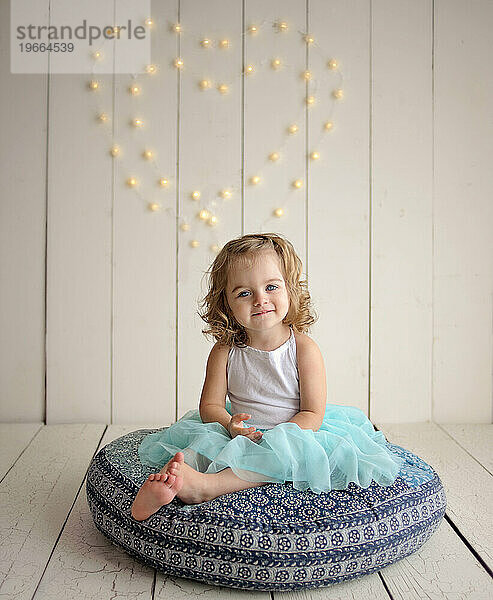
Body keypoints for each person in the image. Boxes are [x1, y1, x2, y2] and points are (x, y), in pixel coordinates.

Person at [131, 233, 404, 521]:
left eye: (271, 286)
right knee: (196, 448)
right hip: (239, 433)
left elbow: (312, 413)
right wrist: (230, 424)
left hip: (293, 432)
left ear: (290, 289)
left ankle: (207, 487)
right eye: (244, 293)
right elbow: (209, 406)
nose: (260, 300)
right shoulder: (225, 351)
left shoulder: (303, 349)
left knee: (281, 456)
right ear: (226, 303)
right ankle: (162, 487)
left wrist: (277, 438)